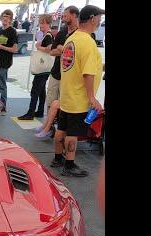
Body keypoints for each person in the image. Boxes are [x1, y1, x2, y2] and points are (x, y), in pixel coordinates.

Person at [52, 4, 104, 177]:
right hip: (78, 97)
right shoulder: (88, 42)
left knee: (62, 128)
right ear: (92, 19)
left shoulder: (71, 38)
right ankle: (69, 165)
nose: (100, 20)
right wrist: (92, 97)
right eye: (99, 17)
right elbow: (87, 73)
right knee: (72, 134)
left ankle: (58, 158)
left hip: (67, 93)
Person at [18, 14, 54, 120]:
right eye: (40, 23)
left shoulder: (48, 35)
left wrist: (39, 47)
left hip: (43, 68)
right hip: (45, 68)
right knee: (41, 90)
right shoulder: (47, 35)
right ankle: (40, 111)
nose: (41, 25)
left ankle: (30, 112)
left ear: (48, 23)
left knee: (35, 90)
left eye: (43, 23)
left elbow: (50, 49)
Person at [47, 6, 79, 115]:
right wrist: (63, 51)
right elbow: (52, 52)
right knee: (50, 101)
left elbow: (77, 54)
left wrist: (63, 49)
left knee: (63, 105)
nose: (63, 18)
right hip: (55, 73)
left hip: (69, 77)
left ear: (74, 15)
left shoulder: (79, 34)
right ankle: (49, 126)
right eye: (63, 15)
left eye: (66, 16)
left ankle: (59, 128)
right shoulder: (62, 32)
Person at [0, 10, 18, 115]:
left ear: (11, 19)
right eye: (3, 16)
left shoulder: (12, 31)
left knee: (2, 85)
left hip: (4, 63)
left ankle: (3, 107)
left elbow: (14, 49)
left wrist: (0, 46)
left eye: (7, 16)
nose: (5, 18)